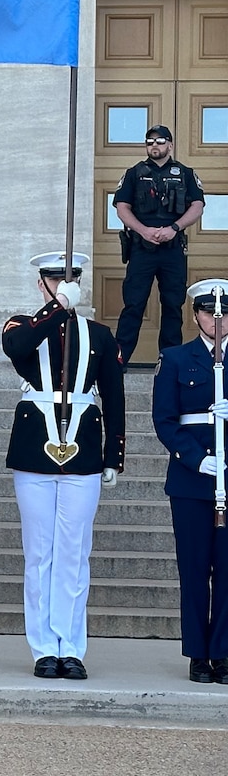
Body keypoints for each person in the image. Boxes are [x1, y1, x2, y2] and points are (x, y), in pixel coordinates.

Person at [2, 251, 125, 681]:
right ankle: (42, 649)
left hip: (83, 450)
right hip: (35, 451)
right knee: (40, 553)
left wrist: (115, 456)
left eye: (70, 279)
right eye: (55, 279)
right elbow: (17, 347)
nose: (63, 284)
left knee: (74, 553)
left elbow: (114, 395)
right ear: (42, 284)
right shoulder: (22, 325)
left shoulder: (101, 336)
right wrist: (58, 308)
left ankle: (70, 647)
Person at [151, 278, 228, 684]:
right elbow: (165, 420)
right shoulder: (176, 359)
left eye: (223, 313)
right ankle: (198, 654)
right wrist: (198, 460)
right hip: (190, 479)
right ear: (195, 314)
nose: (216, 320)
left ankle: (224, 651)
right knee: (195, 568)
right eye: (207, 312)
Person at [113, 124, 205, 364]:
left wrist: (174, 229)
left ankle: (169, 362)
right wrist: (143, 231)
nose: (155, 145)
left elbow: (197, 206)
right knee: (133, 305)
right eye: (150, 141)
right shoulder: (134, 173)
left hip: (172, 250)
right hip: (142, 249)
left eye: (160, 140)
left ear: (170, 145)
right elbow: (122, 207)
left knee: (173, 306)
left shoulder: (185, 172)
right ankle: (118, 362)